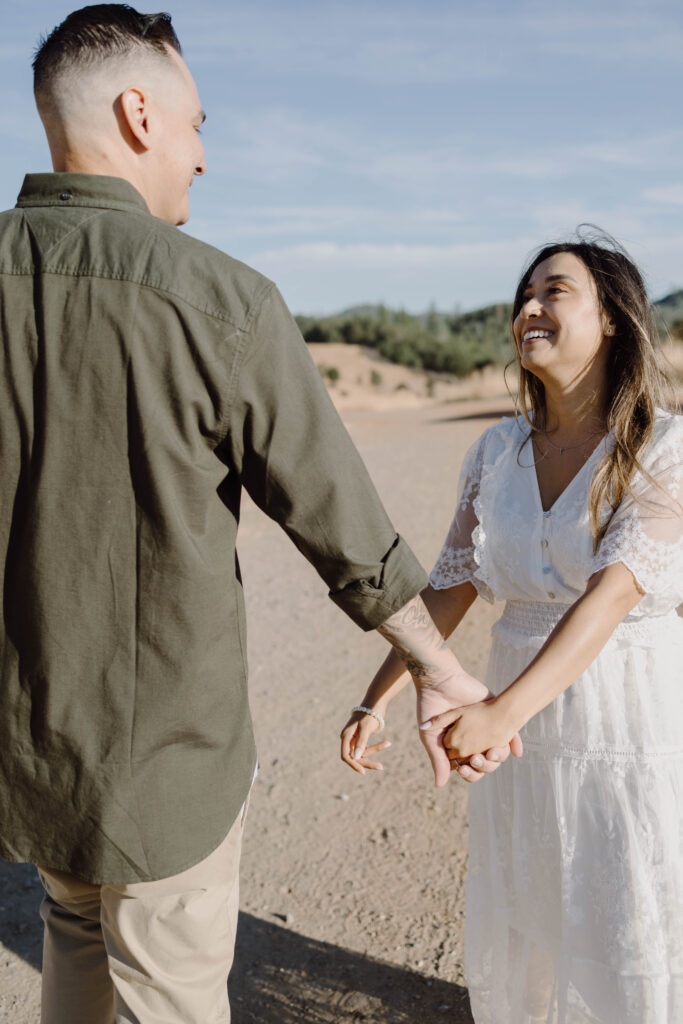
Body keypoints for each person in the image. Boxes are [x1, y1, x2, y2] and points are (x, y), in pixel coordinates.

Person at [0, 5, 517, 1022]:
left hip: (25, 756)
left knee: (72, 931)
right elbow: (343, 530)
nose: (201, 156)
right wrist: (440, 667)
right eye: (197, 125)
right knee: (170, 995)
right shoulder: (219, 299)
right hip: (164, 774)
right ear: (138, 113)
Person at [341, 234, 683, 1023]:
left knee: (627, 907)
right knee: (534, 905)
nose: (527, 308)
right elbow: (449, 589)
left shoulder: (663, 446)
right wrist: (379, 696)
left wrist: (500, 713)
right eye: (521, 296)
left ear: (613, 320)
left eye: (552, 292)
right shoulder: (495, 450)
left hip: (625, 719)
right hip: (525, 737)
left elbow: (610, 595)